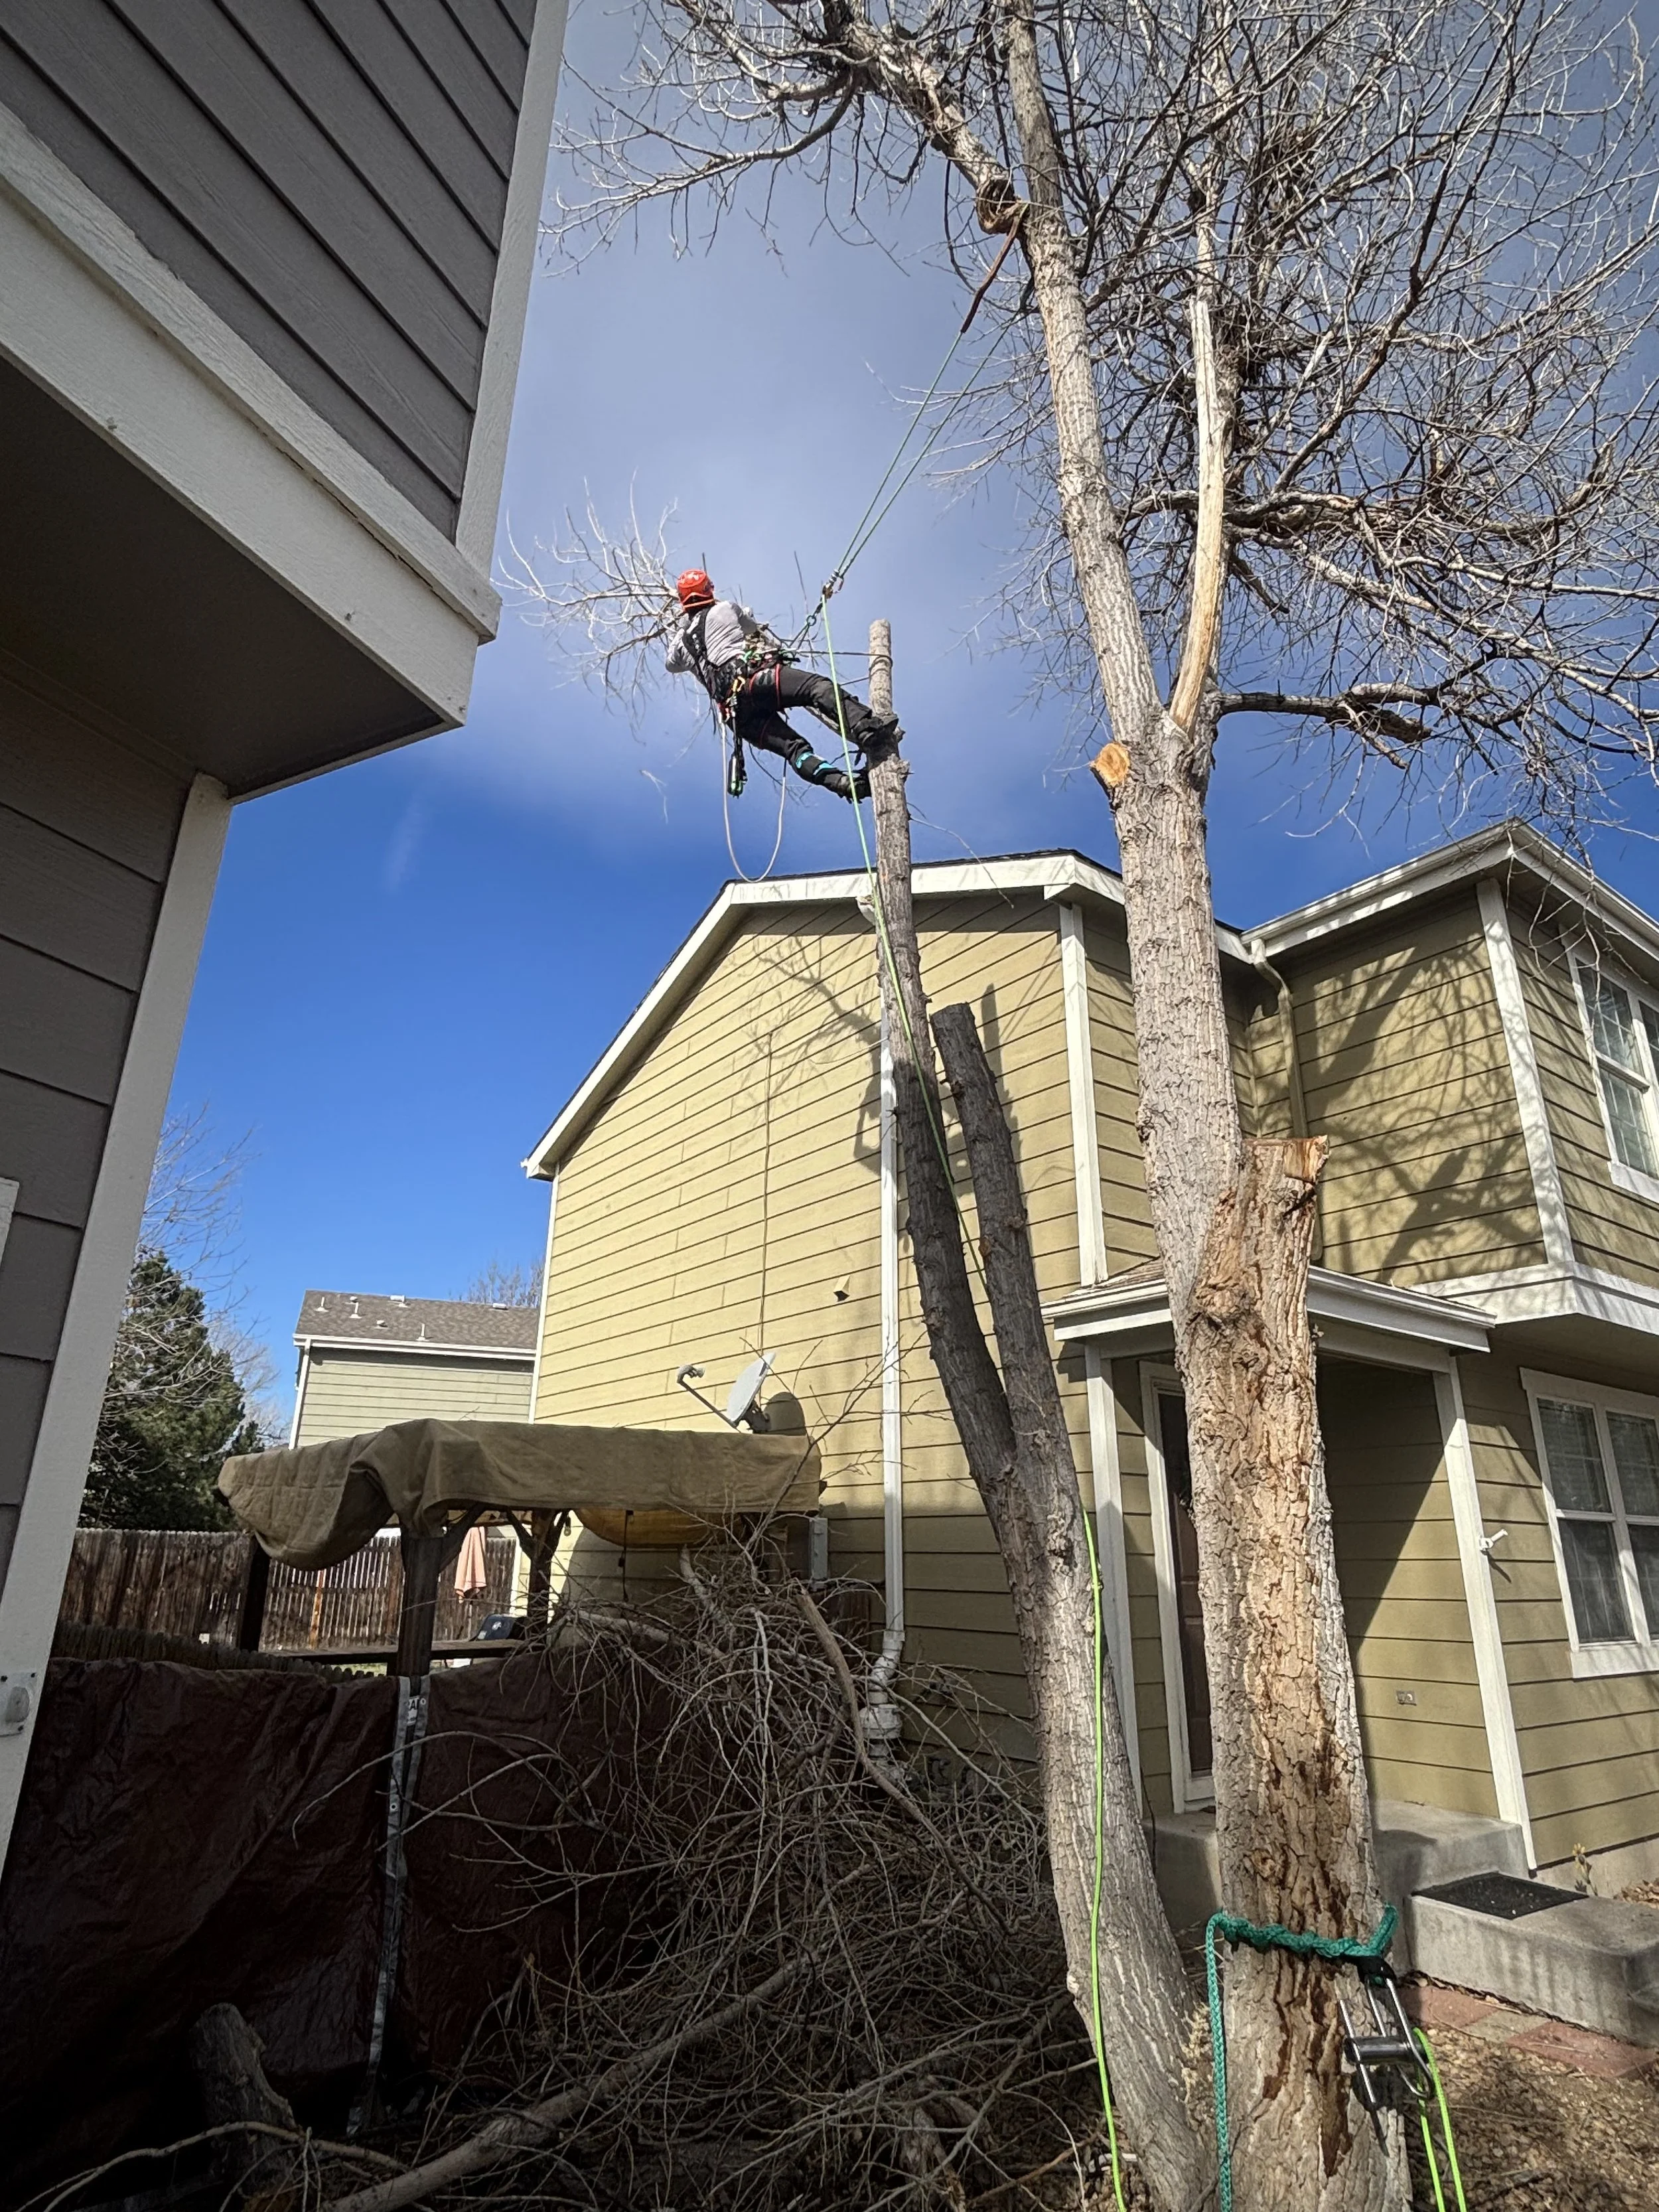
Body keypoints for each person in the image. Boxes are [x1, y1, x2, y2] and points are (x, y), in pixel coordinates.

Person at [665, 569, 899, 802]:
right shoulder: (725, 608)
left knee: (794, 749)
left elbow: (671, 664)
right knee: (817, 688)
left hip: (735, 715)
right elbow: (749, 626)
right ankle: (867, 728)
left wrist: (685, 625)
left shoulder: (681, 646)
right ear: (709, 590)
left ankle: (843, 784)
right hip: (753, 681)